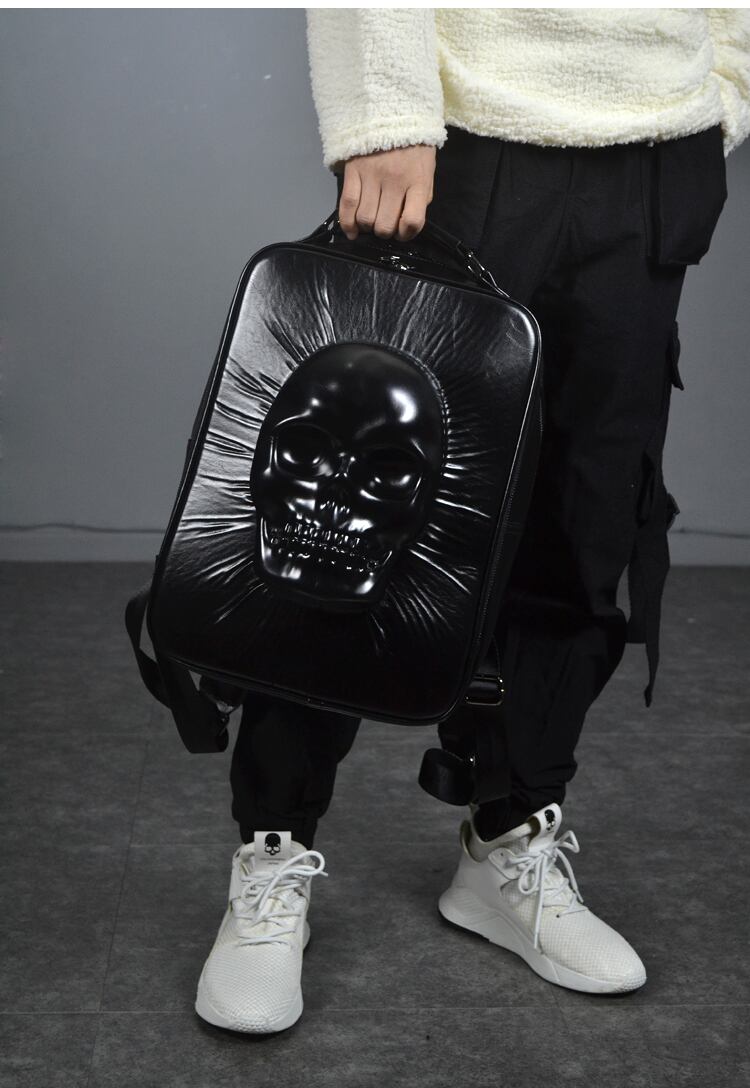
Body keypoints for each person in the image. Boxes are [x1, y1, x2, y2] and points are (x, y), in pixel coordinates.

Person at [194, 8, 750, 1033]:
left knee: (588, 516)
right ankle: (273, 845)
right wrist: (383, 114)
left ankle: (509, 835)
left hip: (657, 139)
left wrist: (724, 80)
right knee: (353, 508)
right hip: (467, 131)